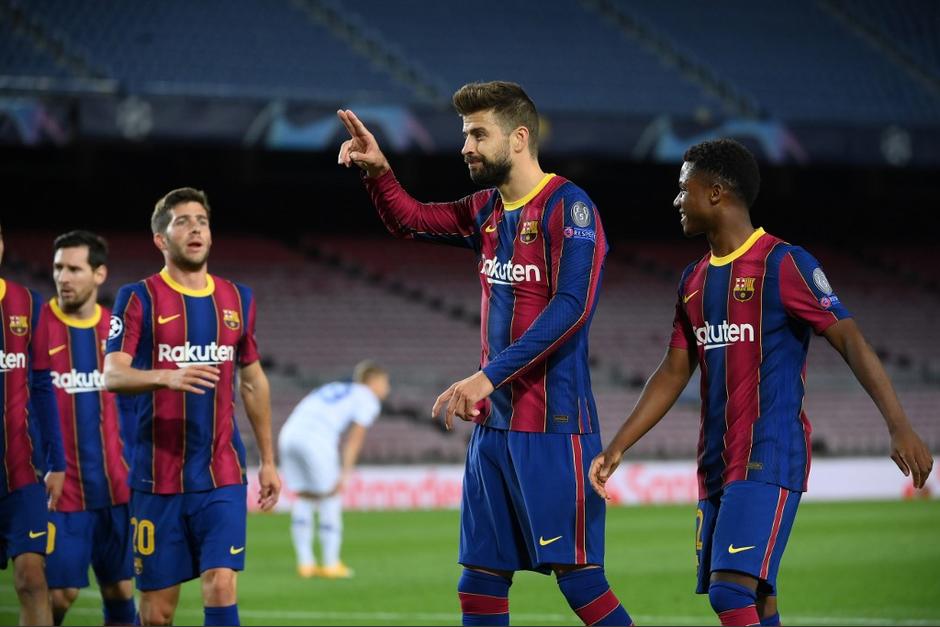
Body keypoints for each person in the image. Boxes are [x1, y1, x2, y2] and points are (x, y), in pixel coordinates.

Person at [588, 139, 934, 627]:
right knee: (757, 598)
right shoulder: (693, 280)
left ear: (716, 193)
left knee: (730, 594)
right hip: (715, 465)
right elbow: (672, 371)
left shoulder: (785, 264)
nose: (675, 200)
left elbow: (852, 341)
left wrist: (899, 425)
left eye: (683, 189)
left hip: (768, 455)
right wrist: (619, 445)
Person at [338, 81, 634, 626]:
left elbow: (571, 309)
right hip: (494, 430)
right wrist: (378, 171)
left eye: (478, 134)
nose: (465, 146)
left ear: (519, 138)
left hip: (554, 428)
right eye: (465, 134)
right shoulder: (485, 209)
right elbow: (411, 219)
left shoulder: (571, 209)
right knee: (478, 581)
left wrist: (486, 377)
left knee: (581, 581)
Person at [103, 188, 281, 626]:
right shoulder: (138, 297)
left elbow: (253, 380)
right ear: (161, 240)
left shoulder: (238, 299)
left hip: (221, 473)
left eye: (201, 220)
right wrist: (167, 376)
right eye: (182, 221)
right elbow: (112, 374)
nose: (195, 227)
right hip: (155, 478)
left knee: (221, 582)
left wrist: (269, 461)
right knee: (158, 612)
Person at [43, 230, 136, 626]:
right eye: (58, 268)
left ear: (99, 274)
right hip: (59, 495)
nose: (64, 277)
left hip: (117, 489)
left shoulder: (119, 332)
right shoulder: (32, 327)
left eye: (75, 269)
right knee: (57, 595)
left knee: (120, 590)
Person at [0, 220, 66, 626]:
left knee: (31, 577)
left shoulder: (27, 303)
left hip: (20, 472)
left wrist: (56, 461)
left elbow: (42, 385)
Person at [278, 360, 390, 579]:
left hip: (289, 435)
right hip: (315, 440)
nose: (387, 388)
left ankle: (306, 563)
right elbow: (354, 440)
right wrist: (345, 473)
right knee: (331, 496)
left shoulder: (334, 387)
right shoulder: (366, 397)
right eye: (385, 383)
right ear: (373, 381)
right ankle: (330, 564)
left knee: (305, 496)